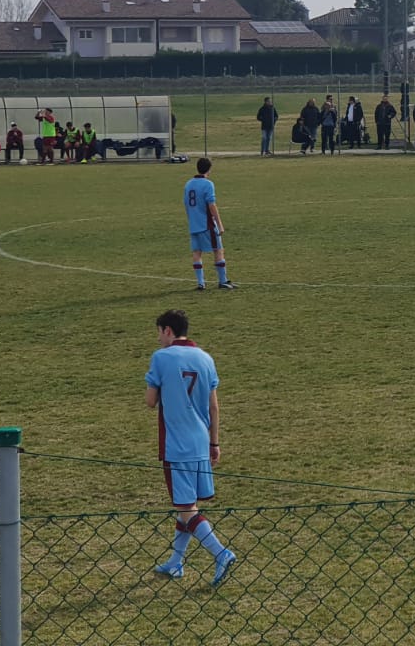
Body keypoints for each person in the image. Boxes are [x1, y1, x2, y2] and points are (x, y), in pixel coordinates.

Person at [145, 308, 237, 587]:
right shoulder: (206, 358)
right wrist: (214, 442)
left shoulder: (161, 357)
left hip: (176, 445)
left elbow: (150, 401)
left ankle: (220, 553)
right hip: (200, 442)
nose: (158, 338)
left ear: (168, 331)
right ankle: (176, 562)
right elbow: (214, 406)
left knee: (186, 508)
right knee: (187, 504)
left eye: (159, 332)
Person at [182, 157, 235, 291]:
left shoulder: (188, 184)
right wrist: (219, 224)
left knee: (197, 252)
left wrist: (191, 219)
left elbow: (186, 204)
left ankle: (201, 283)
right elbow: (211, 205)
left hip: (193, 224)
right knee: (218, 249)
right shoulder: (208, 184)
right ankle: (222, 281)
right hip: (207, 224)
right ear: (209, 169)